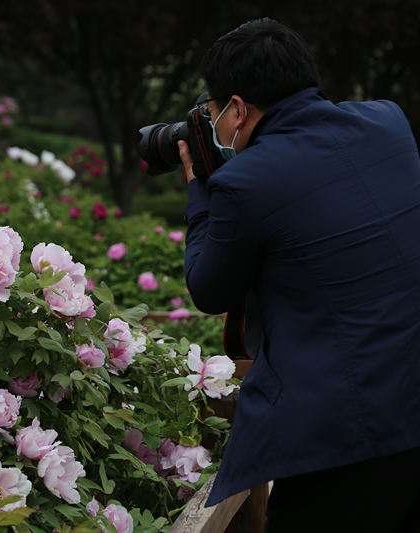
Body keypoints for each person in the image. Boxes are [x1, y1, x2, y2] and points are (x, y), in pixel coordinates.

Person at [177, 18, 420, 532]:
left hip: (345, 435)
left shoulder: (245, 181)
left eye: (215, 112)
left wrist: (200, 185)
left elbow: (208, 288)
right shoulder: (388, 122)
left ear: (238, 109)